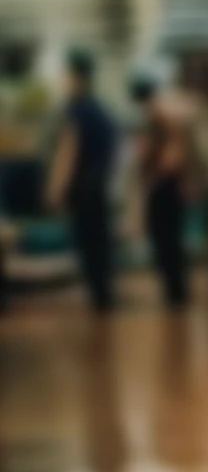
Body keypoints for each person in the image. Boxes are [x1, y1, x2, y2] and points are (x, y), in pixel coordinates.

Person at [46, 50, 119, 311]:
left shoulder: (77, 110)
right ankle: (103, 294)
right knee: (100, 242)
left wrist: (56, 188)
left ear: (77, 77)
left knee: (89, 244)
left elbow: (69, 151)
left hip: (84, 190)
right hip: (97, 189)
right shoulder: (100, 111)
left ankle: (98, 297)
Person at [133, 80, 193, 308]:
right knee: (170, 240)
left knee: (167, 241)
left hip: (163, 187)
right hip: (166, 187)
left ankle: (175, 292)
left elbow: (158, 154)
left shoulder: (158, 120)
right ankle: (175, 290)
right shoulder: (165, 119)